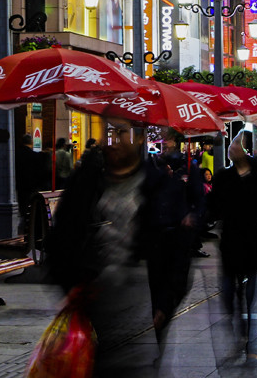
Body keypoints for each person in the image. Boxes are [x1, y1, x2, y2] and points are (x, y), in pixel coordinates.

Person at [45, 119, 193, 374]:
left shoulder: (159, 185)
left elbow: (178, 248)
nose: (114, 140)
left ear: (138, 138)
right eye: (110, 132)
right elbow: (61, 239)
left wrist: (165, 303)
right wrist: (72, 288)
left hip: (142, 313)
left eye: (122, 133)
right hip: (95, 311)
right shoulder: (86, 182)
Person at [207, 132, 257, 361]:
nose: (232, 150)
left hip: (250, 241)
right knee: (229, 294)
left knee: (249, 296)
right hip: (230, 242)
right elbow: (213, 206)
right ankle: (239, 330)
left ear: (243, 151)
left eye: (236, 146)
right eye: (231, 147)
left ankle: (248, 337)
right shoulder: (224, 176)